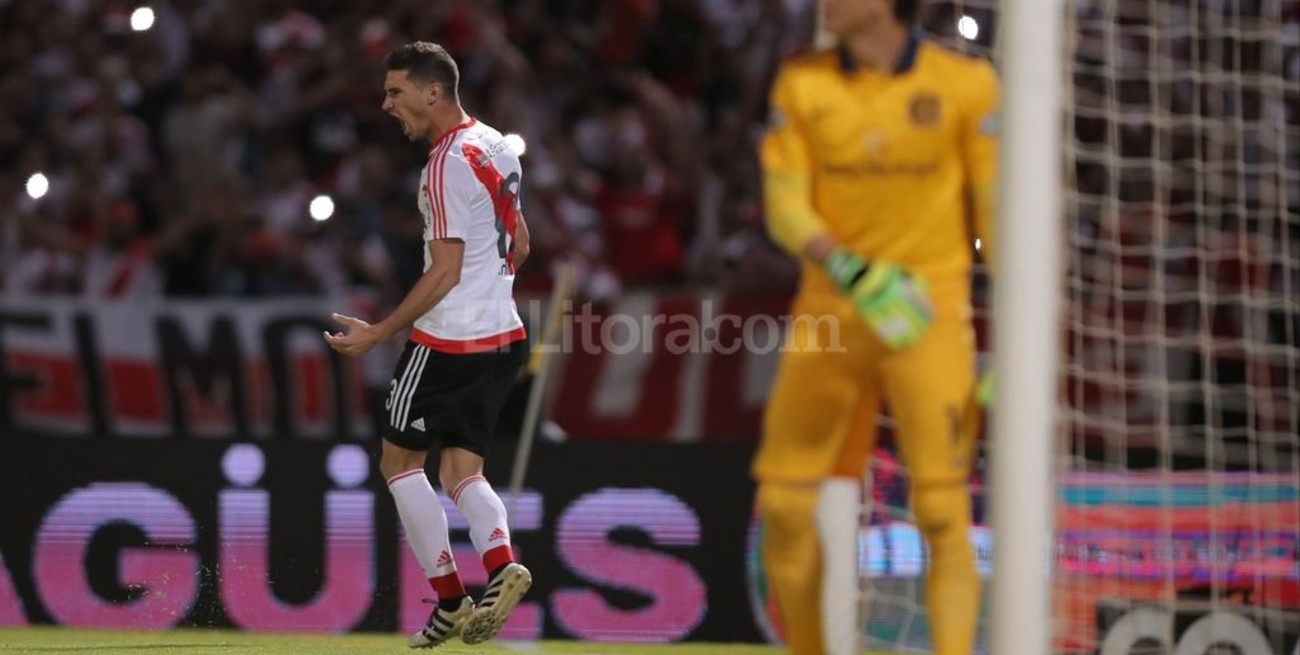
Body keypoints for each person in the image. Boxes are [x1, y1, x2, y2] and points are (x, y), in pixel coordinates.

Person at [752, 0, 999, 654]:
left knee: (945, 514)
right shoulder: (802, 83)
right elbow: (783, 204)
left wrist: (1014, 344)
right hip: (832, 311)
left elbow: (995, 209)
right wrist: (855, 271)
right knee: (782, 505)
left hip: (930, 311)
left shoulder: (965, 84)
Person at [324, 41, 533, 648]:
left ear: (432, 92)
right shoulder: (496, 144)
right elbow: (521, 242)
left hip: (448, 342)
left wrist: (380, 332)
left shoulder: (443, 162)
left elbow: (443, 271)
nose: (388, 105)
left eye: (396, 92)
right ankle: (501, 565)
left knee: (398, 464)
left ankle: (450, 602)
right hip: (505, 336)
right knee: (463, 470)